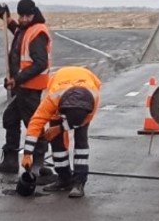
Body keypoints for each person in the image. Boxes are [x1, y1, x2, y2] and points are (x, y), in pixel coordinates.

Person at [14, 65, 101, 198]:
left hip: (84, 92)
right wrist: (27, 154)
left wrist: (60, 128)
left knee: (81, 142)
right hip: (61, 88)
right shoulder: (53, 98)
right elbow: (36, 122)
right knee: (57, 142)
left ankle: (79, 182)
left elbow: (80, 122)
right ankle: (64, 179)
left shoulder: (92, 100)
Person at [0, 0, 52, 171]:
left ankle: (39, 164)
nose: (23, 19)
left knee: (34, 125)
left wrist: (17, 79)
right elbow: (18, 32)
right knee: (11, 118)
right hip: (22, 88)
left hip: (31, 88)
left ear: (34, 14)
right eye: (21, 16)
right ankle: (11, 161)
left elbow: (40, 63)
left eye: (27, 16)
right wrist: (7, 19)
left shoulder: (38, 33)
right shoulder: (26, 29)